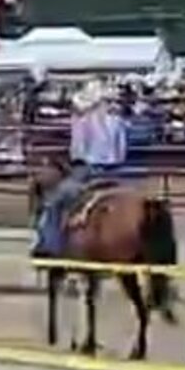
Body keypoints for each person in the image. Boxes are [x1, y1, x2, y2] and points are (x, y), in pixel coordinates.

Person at [32, 80, 128, 257]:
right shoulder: (117, 121)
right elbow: (121, 151)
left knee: (54, 202)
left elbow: (78, 152)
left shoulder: (82, 121)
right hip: (115, 171)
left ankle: (49, 246)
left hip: (88, 170)